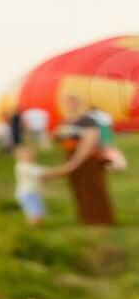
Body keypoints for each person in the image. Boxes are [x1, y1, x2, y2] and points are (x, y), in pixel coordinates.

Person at [49, 95, 116, 225]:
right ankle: (87, 218)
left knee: (93, 188)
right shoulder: (65, 121)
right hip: (69, 154)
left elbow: (89, 142)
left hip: (87, 158)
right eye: (67, 101)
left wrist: (75, 161)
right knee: (78, 188)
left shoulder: (87, 120)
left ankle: (102, 220)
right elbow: (59, 139)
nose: (70, 104)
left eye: (73, 101)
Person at [12, 144, 49, 226]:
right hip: (27, 194)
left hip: (33, 193)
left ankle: (36, 229)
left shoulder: (31, 166)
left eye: (31, 153)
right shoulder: (23, 166)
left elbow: (44, 173)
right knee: (35, 214)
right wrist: (66, 168)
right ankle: (33, 230)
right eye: (27, 154)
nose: (30, 155)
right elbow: (44, 173)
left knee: (37, 214)